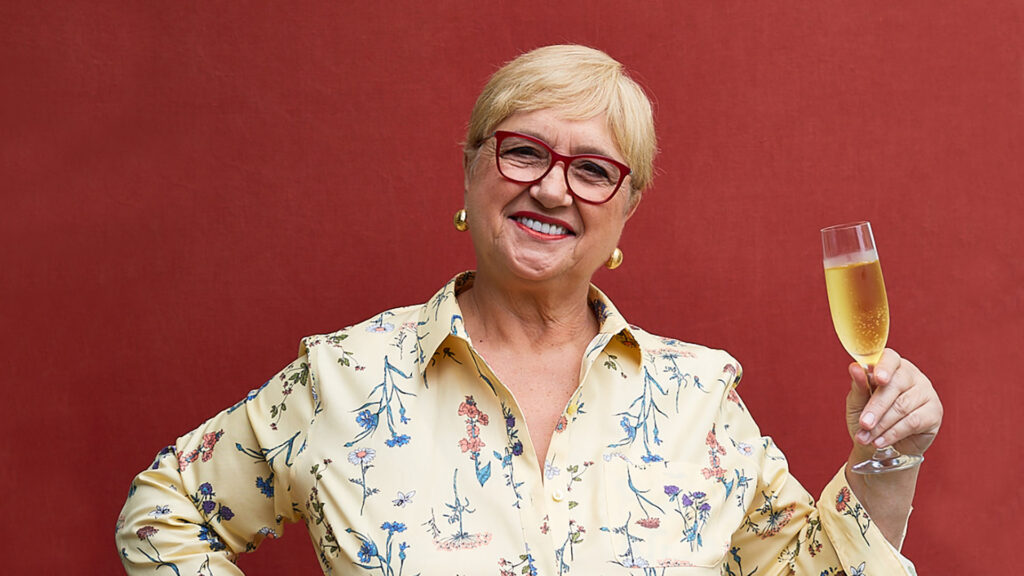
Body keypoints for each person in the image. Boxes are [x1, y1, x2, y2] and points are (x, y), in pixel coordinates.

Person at [116, 45, 942, 575]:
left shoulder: (696, 397)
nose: (551, 186)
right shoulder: (345, 376)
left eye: (593, 170)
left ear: (626, 210)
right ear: (471, 171)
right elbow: (166, 510)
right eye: (523, 151)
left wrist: (889, 459)